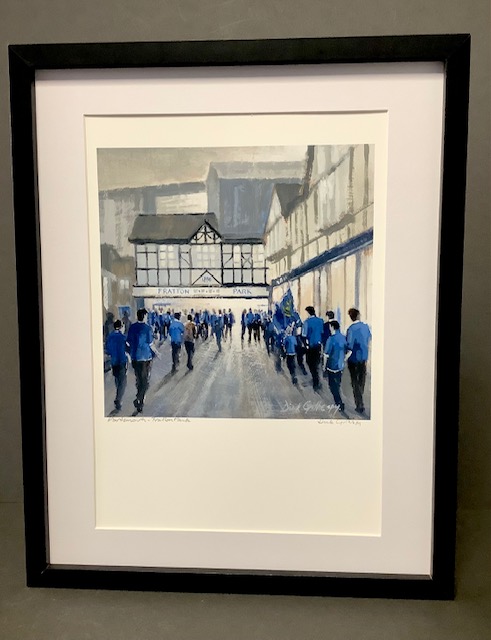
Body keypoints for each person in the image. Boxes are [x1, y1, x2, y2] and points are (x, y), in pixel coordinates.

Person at [126, 308, 158, 413]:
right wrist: (157, 352)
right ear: (144, 316)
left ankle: (140, 399)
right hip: (145, 357)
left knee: (139, 379)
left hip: (135, 357)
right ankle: (139, 399)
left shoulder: (132, 327)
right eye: (146, 316)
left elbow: (128, 342)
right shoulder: (147, 328)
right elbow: (150, 344)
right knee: (145, 381)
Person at [346, 307, 372, 414]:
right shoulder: (366, 327)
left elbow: (349, 345)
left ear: (351, 317)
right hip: (364, 357)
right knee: (362, 379)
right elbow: (369, 338)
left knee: (355, 381)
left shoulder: (351, 329)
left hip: (353, 358)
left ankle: (359, 404)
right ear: (358, 315)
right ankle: (360, 398)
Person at [104, 319, 128, 412]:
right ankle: (118, 399)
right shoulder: (123, 337)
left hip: (114, 362)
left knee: (117, 380)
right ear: (121, 327)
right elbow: (128, 348)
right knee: (123, 382)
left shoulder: (110, 337)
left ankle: (118, 397)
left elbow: (107, 350)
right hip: (122, 361)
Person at [324, 321, 347, 411]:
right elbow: (349, 350)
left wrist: (324, 366)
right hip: (340, 366)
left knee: (332, 386)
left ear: (332, 327)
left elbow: (326, 355)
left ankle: (339, 403)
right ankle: (339, 402)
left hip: (332, 366)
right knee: (337, 384)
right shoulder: (343, 337)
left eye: (330, 327)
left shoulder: (331, 339)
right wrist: (344, 359)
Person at [302, 306, 324, 391]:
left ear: (308, 313)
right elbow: (322, 332)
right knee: (316, 362)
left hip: (310, 346)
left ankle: (316, 381)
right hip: (318, 345)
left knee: (309, 362)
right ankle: (316, 378)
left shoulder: (307, 322)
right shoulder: (320, 321)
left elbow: (304, 335)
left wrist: (305, 345)